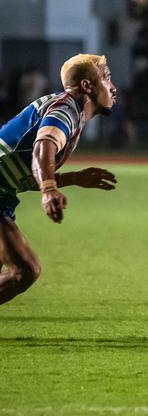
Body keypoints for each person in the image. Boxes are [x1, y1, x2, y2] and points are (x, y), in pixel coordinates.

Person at [0, 54, 118, 306]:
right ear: (87, 86)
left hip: (4, 195)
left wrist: (72, 178)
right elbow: (43, 145)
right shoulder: (67, 107)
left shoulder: (67, 110)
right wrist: (49, 188)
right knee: (25, 271)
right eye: (107, 78)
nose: (113, 86)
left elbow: (23, 169)